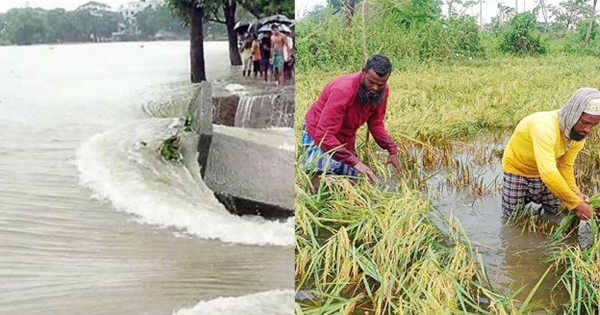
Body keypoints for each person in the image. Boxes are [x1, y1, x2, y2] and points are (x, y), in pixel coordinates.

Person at [300, 54, 403, 191]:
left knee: (351, 183)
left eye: (380, 84)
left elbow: (376, 124)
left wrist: (392, 149)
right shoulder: (343, 90)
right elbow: (324, 134)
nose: (375, 88)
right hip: (318, 132)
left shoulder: (382, 91)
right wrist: (355, 162)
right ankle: (316, 207)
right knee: (319, 173)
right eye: (371, 82)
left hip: (346, 136)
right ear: (363, 72)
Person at [502, 88, 600, 220]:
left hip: (548, 175)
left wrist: (575, 193)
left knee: (557, 214)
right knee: (512, 219)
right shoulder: (543, 127)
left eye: (593, 125)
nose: (588, 129)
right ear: (573, 115)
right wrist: (576, 204)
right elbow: (548, 172)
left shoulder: (576, 135)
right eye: (585, 122)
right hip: (518, 172)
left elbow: (565, 166)